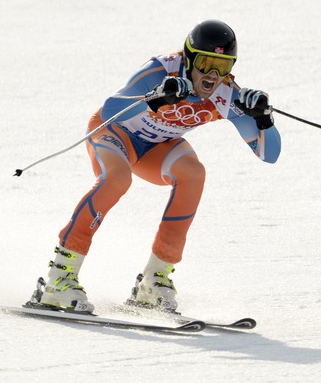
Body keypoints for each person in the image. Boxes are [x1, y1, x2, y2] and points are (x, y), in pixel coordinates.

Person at [35, 19, 281, 314]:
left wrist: (263, 119)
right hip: (115, 133)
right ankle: (59, 276)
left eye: (223, 66)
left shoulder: (227, 94)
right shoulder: (162, 69)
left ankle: (154, 278)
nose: (213, 75)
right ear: (188, 58)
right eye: (205, 63)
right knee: (117, 179)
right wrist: (155, 98)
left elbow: (269, 154)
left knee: (193, 174)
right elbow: (112, 108)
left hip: (156, 147)